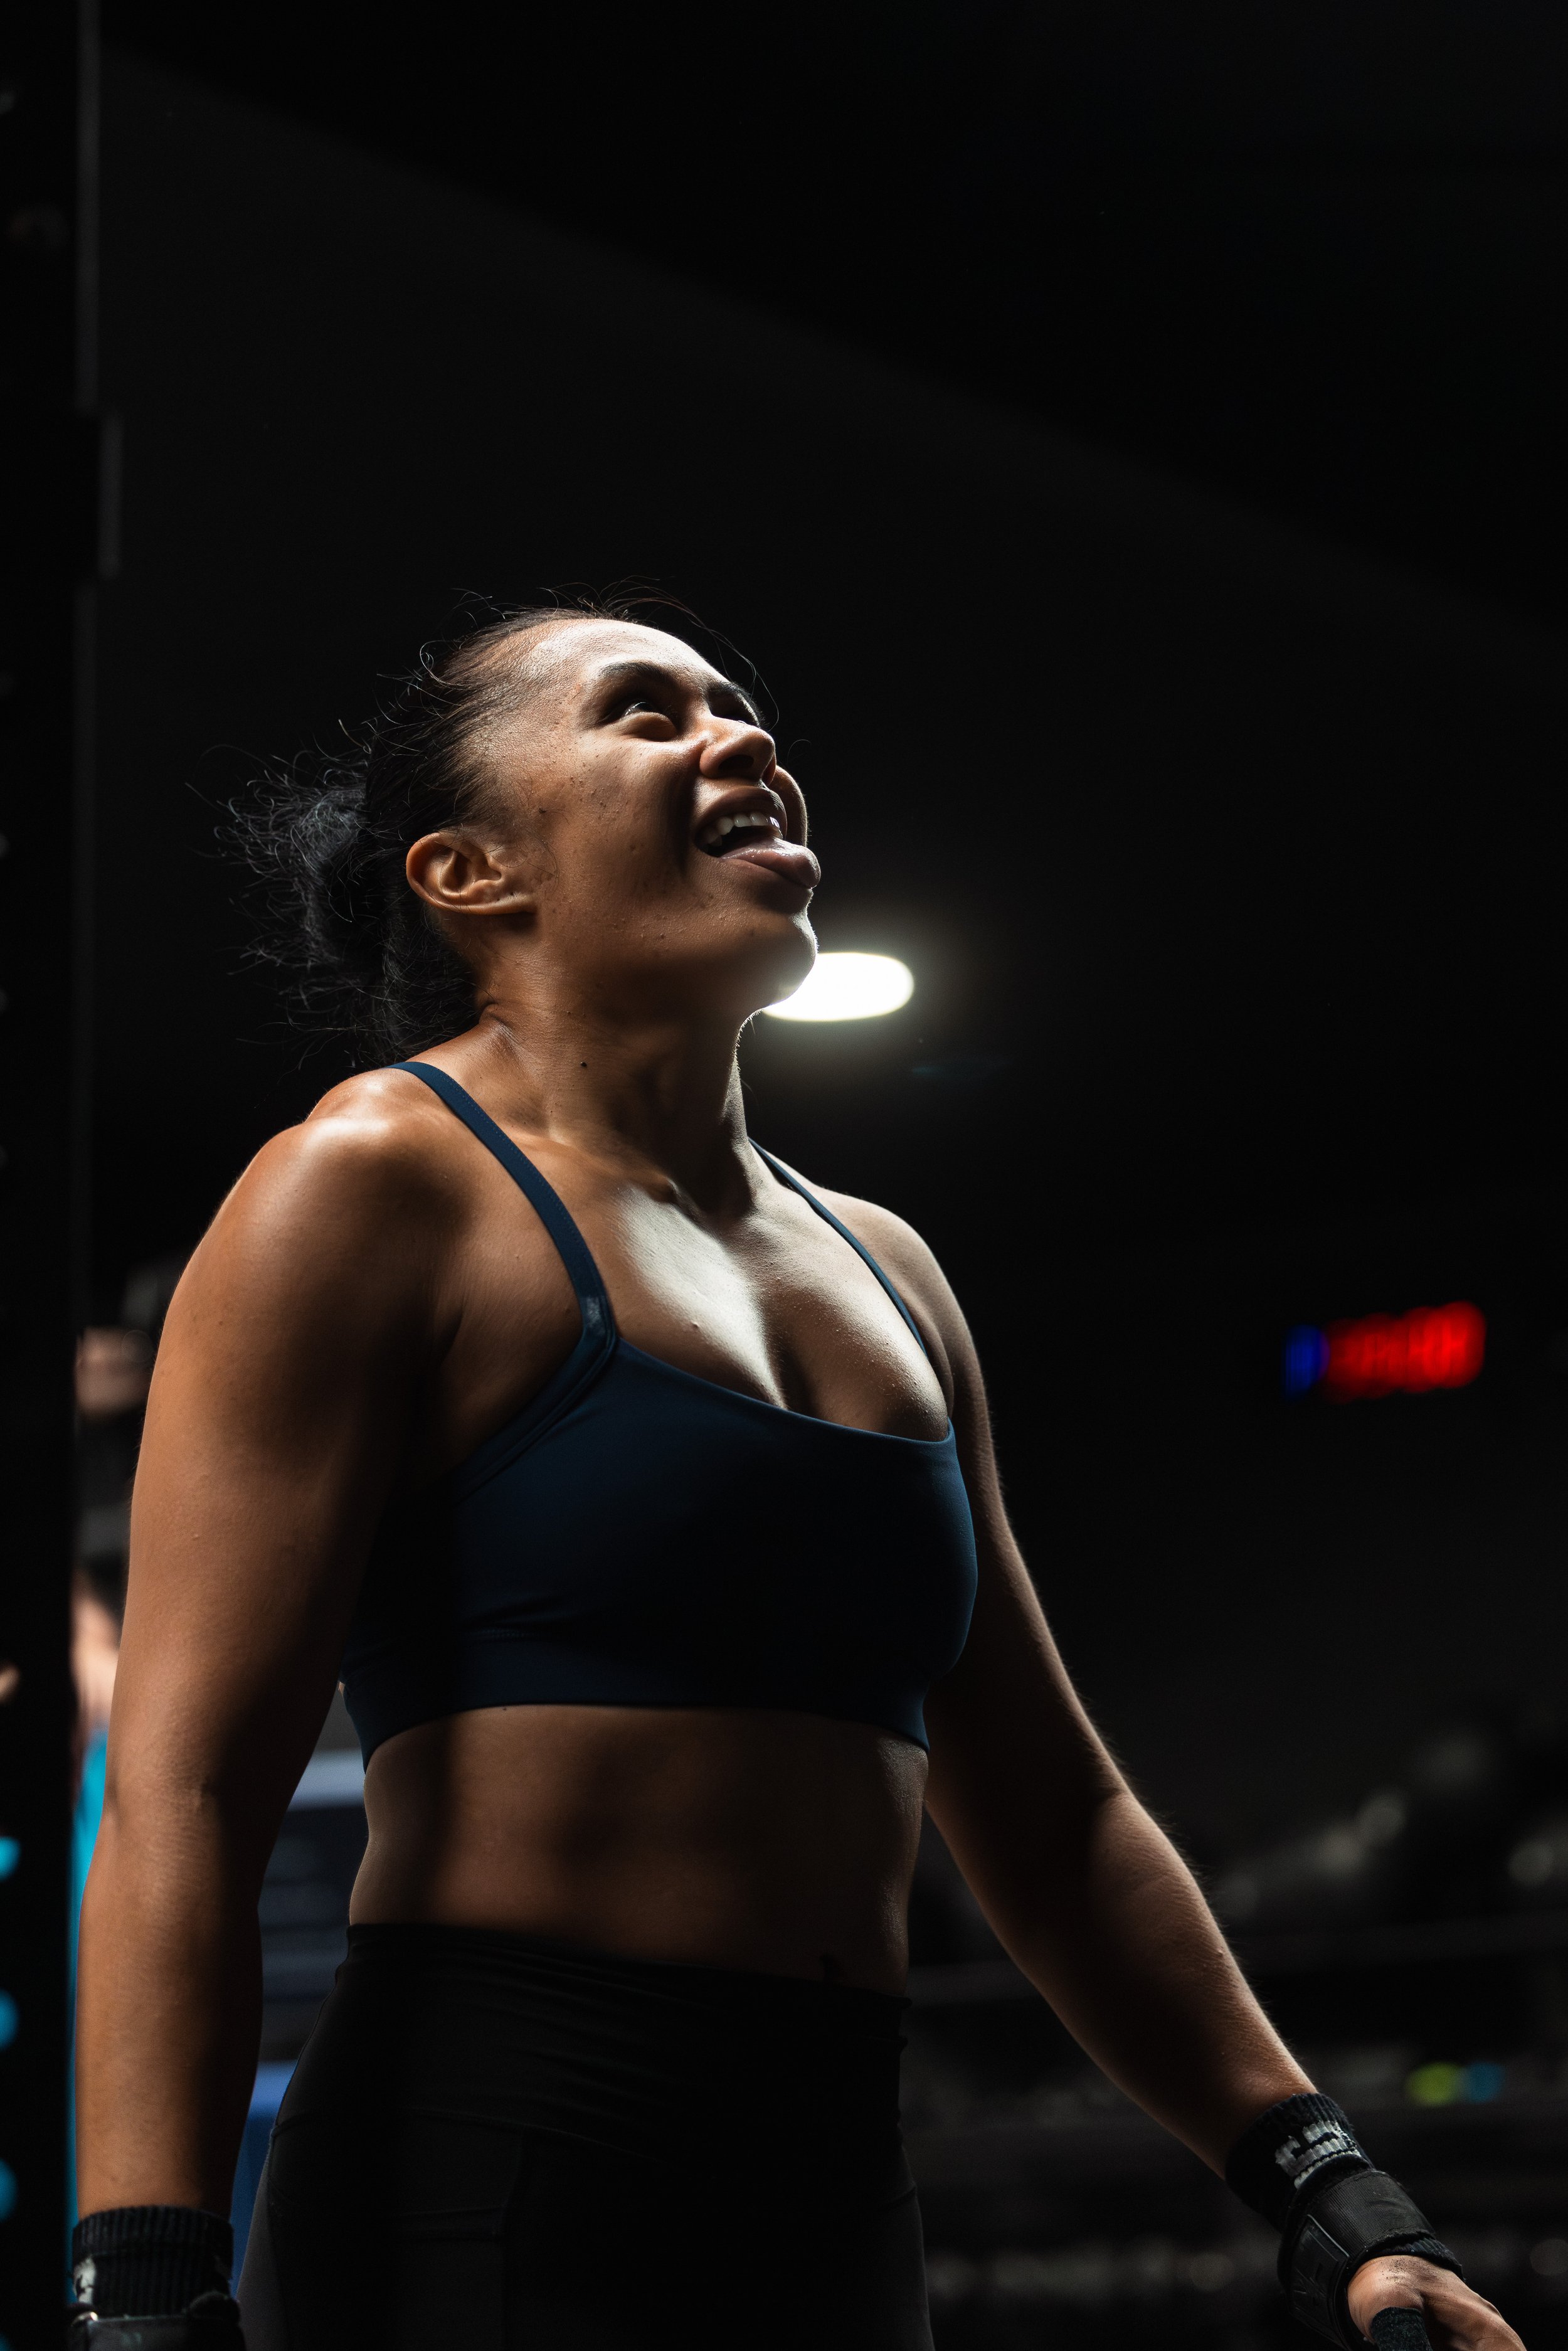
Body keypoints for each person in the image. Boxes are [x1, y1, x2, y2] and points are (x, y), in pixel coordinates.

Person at [72, 600, 1522, 2350]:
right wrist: (146, 2288)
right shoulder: (369, 1185)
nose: (738, 740)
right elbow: (187, 1793)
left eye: (740, 709)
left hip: (834, 2174)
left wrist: (1327, 2190)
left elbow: (1054, 1814)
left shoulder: (888, 1270)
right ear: (467, 872)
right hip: (497, 2155)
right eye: (642, 713)